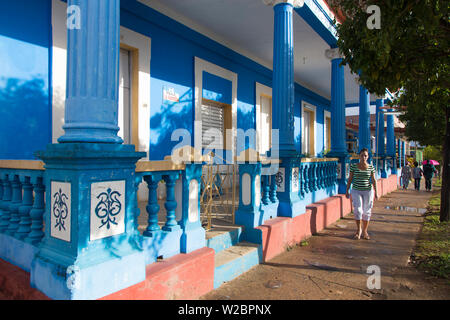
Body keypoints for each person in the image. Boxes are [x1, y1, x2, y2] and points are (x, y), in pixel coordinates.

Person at [345, 148, 379, 240]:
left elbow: (374, 180)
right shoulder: (354, 166)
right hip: (356, 190)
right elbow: (350, 179)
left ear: (368, 157)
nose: (364, 157)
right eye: (362, 155)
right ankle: (358, 230)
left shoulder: (371, 167)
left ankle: (365, 231)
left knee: (367, 211)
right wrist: (347, 190)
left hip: (368, 191)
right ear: (359, 156)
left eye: (365, 155)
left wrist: (376, 192)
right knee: (358, 210)